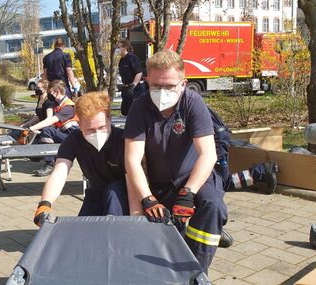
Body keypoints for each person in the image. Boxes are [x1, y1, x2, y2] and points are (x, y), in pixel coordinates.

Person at [124, 50, 227, 273]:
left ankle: (197, 270)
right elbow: (132, 159)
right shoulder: (139, 108)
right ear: (147, 80)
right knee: (165, 233)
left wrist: (189, 193)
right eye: (157, 86)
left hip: (194, 177)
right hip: (159, 182)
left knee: (213, 206)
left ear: (183, 83)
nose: (163, 92)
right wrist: (147, 199)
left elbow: (208, 154)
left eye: (170, 86)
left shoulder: (193, 103)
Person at [34, 91, 129, 226]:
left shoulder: (123, 139)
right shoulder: (74, 140)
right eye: (89, 129)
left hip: (123, 193)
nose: (97, 133)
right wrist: (45, 203)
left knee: (114, 192)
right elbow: (60, 171)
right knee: (82, 228)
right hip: (96, 191)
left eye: (102, 127)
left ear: (109, 119)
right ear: (79, 124)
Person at [209, 107, 278, 194]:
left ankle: (261, 171)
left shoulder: (190, 103)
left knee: (222, 184)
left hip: (216, 141)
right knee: (220, 183)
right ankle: (260, 171)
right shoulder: (193, 101)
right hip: (217, 138)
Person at [28, 80, 79, 177]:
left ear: (57, 91)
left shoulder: (68, 106)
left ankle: (50, 164)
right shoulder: (58, 105)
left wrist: (32, 128)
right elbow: (54, 125)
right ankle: (39, 157)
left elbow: (51, 120)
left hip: (73, 137)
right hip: (66, 135)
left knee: (46, 130)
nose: (48, 95)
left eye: (50, 92)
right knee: (44, 133)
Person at [118, 39, 146, 116]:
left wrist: (133, 86)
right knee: (125, 111)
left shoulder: (132, 58)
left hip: (135, 89)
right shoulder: (122, 60)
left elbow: (139, 73)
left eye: (119, 47)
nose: (117, 49)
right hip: (126, 89)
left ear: (124, 48)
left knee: (135, 112)